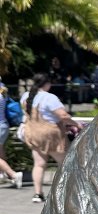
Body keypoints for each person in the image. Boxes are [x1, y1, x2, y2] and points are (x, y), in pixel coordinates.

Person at [20, 73, 73, 203]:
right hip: (51, 134)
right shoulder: (49, 98)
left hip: (34, 133)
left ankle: (38, 194)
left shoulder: (26, 96)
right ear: (47, 84)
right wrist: (76, 124)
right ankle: (66, 193)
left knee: (39, 164)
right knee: (65, 164)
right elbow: (63, 115)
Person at [0, 78, 23, 189]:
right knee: (1, 151)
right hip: (3, 125)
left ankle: (13, 174)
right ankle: (2, 175)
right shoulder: (2, 88)